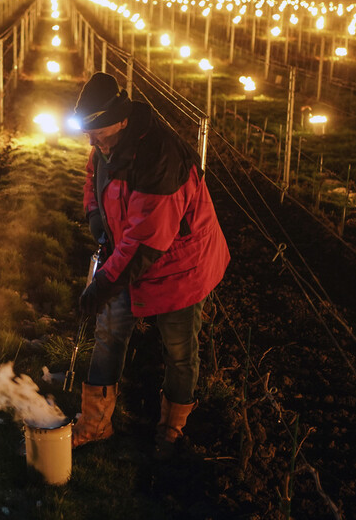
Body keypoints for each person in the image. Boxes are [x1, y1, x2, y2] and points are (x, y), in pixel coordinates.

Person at [71, 72, 230, 457]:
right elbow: (95, 173)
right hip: (128, 256)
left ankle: (172, 430)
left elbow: (146, 242)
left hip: (180, 266)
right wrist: (95, 215)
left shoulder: (160, 157)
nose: (93, 142)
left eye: (98, 133)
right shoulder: (109, 142)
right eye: (89, 135)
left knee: (179, 351)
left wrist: (102, 285)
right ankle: (95, 424)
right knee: (109, 336)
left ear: (122, 120)